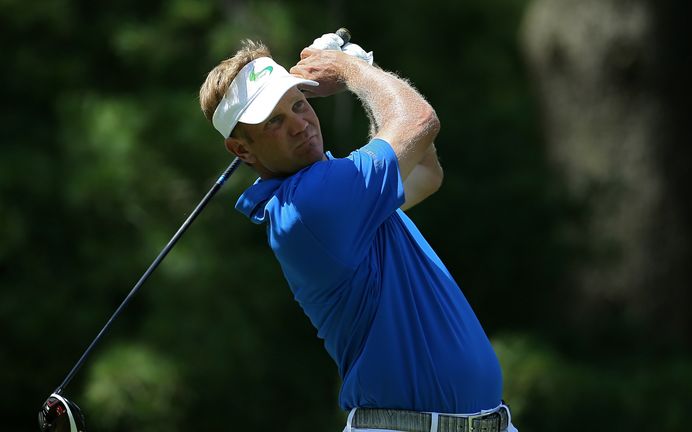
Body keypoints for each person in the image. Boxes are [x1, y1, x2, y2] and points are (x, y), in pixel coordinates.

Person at [198, 35, 518, 432]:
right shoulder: (312, 202)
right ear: (242, 150)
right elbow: (419, 121)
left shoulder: (339, 194)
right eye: (274, 121)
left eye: (299, 104)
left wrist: (360, 74)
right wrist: (353, 71)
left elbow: (424, 171)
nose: (300, 124)